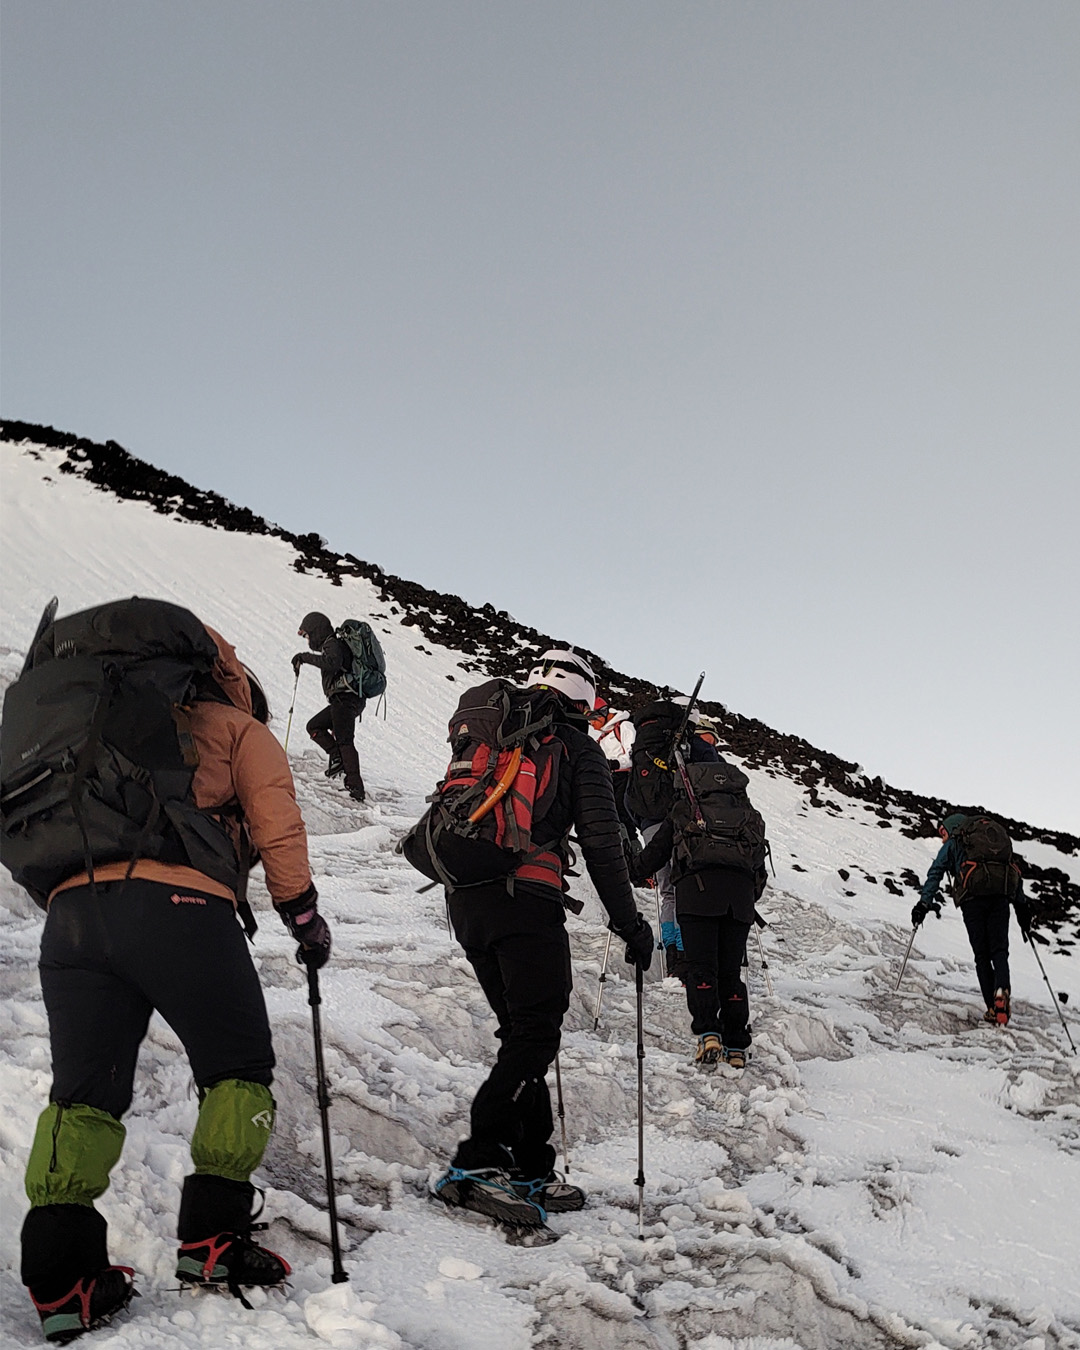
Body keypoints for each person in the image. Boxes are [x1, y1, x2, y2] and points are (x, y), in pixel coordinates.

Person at [8, 609, 330, 1343]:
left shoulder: (86, 725)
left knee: (83, 1096)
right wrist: (302, 914)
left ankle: (65, 1286)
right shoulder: (234, 727)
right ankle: (213, 1244)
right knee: (237, 1070)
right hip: (182, 911)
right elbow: (276, 822)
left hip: (72, 916)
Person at [434, 648, 654, 1227]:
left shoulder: (496, 729)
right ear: (583, 698)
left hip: (467, 898)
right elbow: (602, 845)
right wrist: (630, 925)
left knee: (522, 1033)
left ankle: (531, 1166)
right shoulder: (577, 747)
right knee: (535, 1032)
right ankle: (477, 1162)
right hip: (526, 901)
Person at [631, 742, 767, 1070]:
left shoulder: (685, 808)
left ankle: (708, 1034)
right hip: (739, 900)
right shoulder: (748, 815)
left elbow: (654, 855)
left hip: (697, 895)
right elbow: (759, 868)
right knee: (730, 972)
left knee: (701, 967)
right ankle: (737, 1045)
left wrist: (631, 869)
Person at [912, 812, 1030, 1025]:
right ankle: (1002, 989)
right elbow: (1011, 872)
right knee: (999, 950)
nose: (943, 839)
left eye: (943, 833)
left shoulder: (956, 841)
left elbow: (936, 871)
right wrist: (1022, 910)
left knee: (982, 955)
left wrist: (923, 904)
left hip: (972, 901)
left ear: (952, 828)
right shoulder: (991, 843)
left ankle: (993, 1008)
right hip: (1000, 898)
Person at [292, 611, 365, 803]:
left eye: (308, 635)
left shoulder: (332, 644)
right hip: (345, 700)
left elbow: (332, 663)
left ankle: (355, 788)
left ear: (316, 631)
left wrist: (304, 657)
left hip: (345, 699)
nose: (308, 640)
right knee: (315, 726)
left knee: (345, 741)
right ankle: (338, 759)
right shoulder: (332, 644)